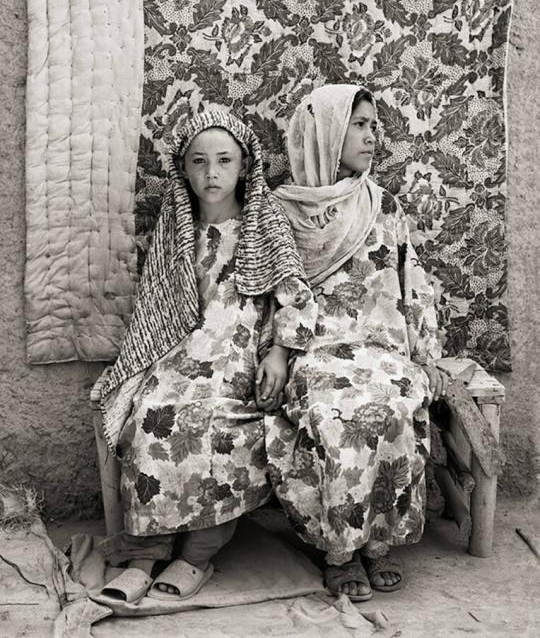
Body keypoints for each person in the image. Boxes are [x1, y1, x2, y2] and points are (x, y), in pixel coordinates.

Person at [98, 111, 317, 603]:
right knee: (149, 415)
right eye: (199, 162)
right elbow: (158, 302)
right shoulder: (176, 229)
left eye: (224, 161)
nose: (211, 175)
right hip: (178, 352)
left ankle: (196, 555)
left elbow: (296, 297)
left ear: (244, 166)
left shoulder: (263, 225)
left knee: (212, 422)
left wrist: (280, 354)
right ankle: (144, 554)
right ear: (184, 169)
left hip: (236, 354)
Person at [266, 84, 448, 602]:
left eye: (374, 125)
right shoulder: (281, 212)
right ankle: (339, 552)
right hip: (314, 351)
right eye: (361, 124)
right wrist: (280, 350)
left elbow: (412, 280)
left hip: (381, 350)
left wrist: (424, 353)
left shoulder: (380, 204)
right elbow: (273, 291)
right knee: (334, 412)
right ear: (325, 133)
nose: (374, 136)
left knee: (393, 403)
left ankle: (377, 542)